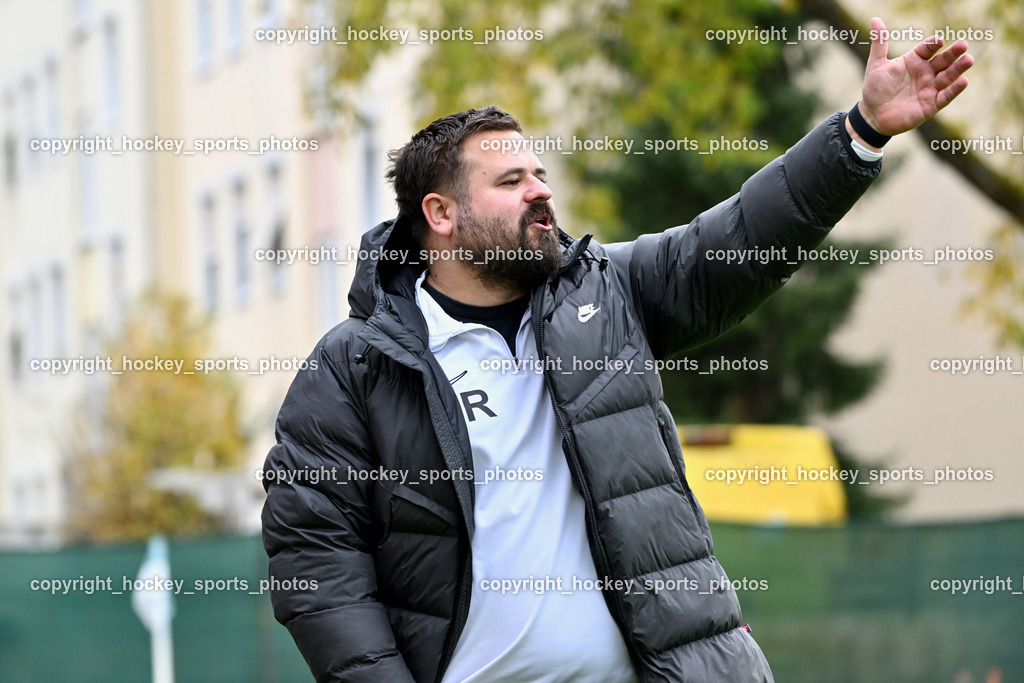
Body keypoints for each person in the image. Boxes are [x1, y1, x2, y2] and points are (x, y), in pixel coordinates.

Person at [261, 18, 972, 682]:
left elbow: (735, 241)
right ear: (440, 216)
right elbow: (318, 566)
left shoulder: (606, 296)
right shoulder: (351, 371)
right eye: (510, 183)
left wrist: (859, 133)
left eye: (539, 175)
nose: (540, 193)